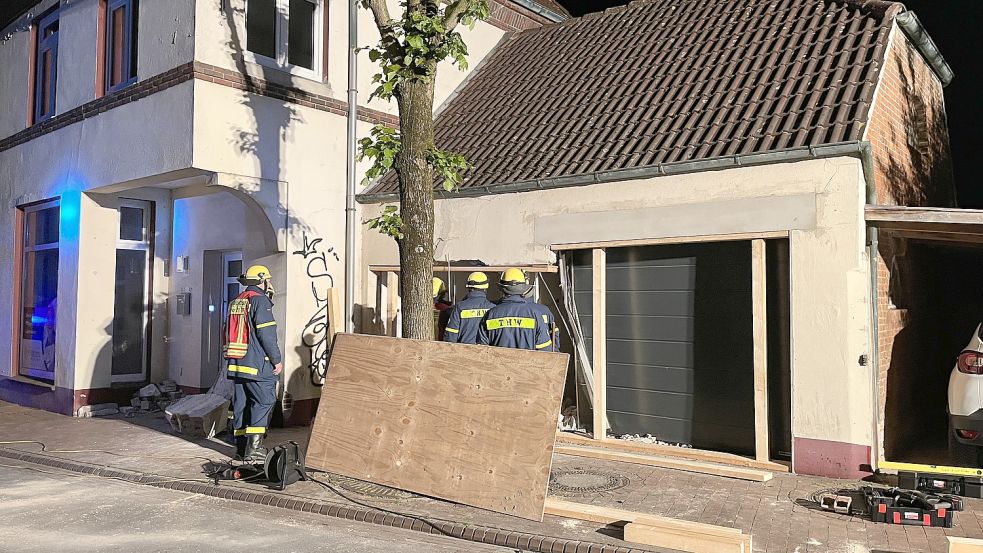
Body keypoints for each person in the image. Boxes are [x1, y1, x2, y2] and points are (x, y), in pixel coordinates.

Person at [224, 264, 282, 463]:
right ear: (261, 280)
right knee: (264, 401)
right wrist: (277, 360)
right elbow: (266, 335)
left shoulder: (237, 301)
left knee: (241, 404)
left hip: (236, 364)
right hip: (257, 364)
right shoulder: (260, 301)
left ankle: (240, 449)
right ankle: (254, 449)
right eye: (267, 279)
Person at [477, 268, 557, 352]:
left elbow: (481, 351)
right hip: (528, 364)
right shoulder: (535, 314)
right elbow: (545, 351)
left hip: (498, 364)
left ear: (501, 289)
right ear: (523, 289)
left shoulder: (490, 314)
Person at [443, 271, 496, 345]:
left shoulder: (460, 307)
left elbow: (450, 337)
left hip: (464, 353)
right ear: (485, 288)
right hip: (486, 353)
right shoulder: (493, 308)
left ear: (469, 288)